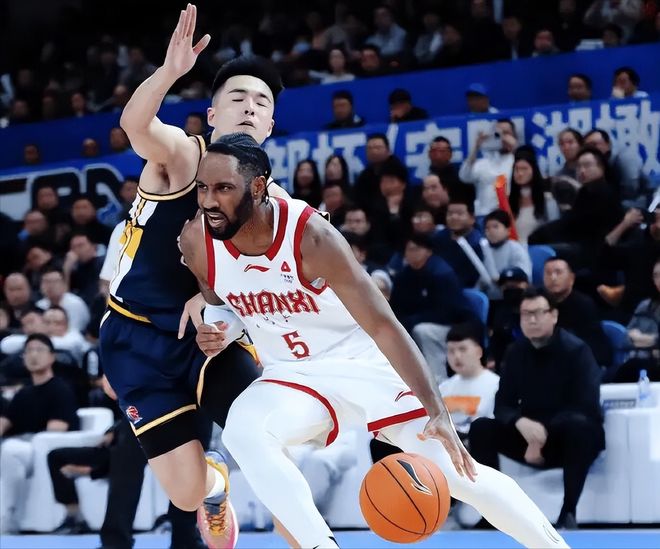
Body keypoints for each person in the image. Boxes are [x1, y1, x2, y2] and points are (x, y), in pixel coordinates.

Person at [178, 132, 567, 549]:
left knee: (458, 473)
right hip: (291, 374)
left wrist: (436, 409)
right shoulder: (198, 239)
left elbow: (384, 325)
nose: (209, 201)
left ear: (257, 187)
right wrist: (219, 330)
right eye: (203, 188)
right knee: (243, 430)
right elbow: (224, 305)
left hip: (361, 360)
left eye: (223, 188)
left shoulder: (312, 237)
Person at [99, 5, 285, 546]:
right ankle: (215, 484)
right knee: (184, 494)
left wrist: (221, 308)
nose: (250, 107)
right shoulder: (184, 155)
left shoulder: (273, 203)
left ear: (270, 126)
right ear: (213, 113)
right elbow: (135, 126)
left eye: (262, 103)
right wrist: (168, 72)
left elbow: (269, 285)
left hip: (205, 341)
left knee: (265, 437)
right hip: (135, 336)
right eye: (238, 98)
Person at [469, 287, 606, 530]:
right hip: (528, 433)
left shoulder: (577, 351)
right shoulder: (515, 352)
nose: (532, 320)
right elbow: (502, 404)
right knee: (481, 428)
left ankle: (568, 512)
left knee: (580, 429)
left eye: (538, 313)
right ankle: (492, 512)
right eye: (526, 314)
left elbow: (586, 406)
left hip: (569, 436)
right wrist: (519, 422)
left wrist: (542, 433)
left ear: (553, 315)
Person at [0, 334, 80, 533]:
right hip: (20, 447)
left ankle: (6, 518)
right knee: (8, 451)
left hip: (41, 449)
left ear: (52, 357)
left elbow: (57, 429)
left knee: (9, 451)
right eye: (28, 351)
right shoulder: (23, 393)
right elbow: (5, 421)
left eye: (39, 349)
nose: (33, 355)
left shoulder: (60, 389)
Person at [441, 323, 500, 440]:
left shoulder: (496, 385)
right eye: (451, 351)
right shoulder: (443, 388)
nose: (457, 356)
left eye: (462, 349)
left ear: (479, 352)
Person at [459, 119, 518, 216]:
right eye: (498, 133)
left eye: (506, 133)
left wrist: (515, 147)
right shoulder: (483, 163)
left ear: (514, 136)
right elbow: (464, 177)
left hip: (511, 214)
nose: (502, 137)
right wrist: (476, 147)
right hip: (484, 215)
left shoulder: (518, 160)